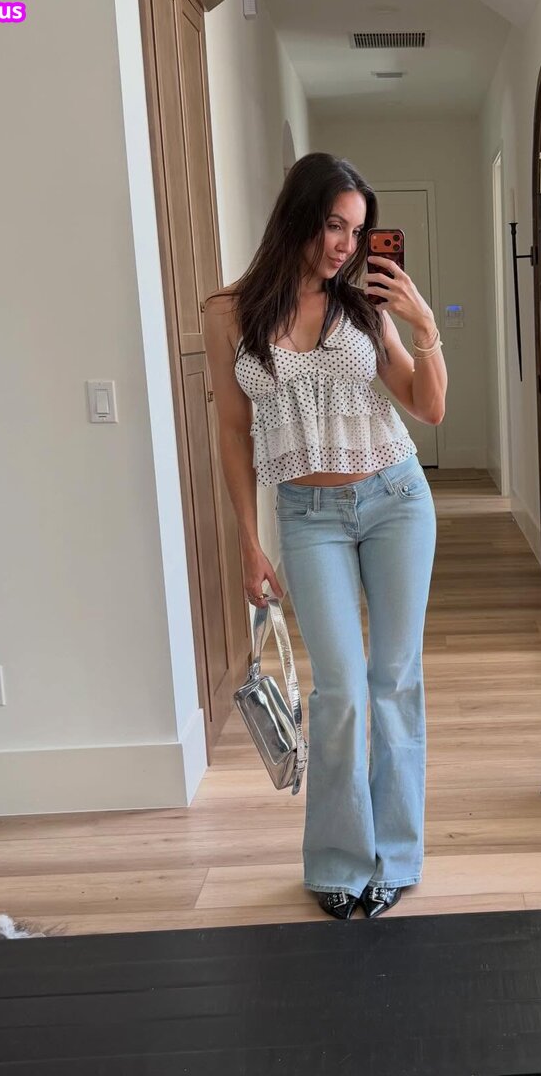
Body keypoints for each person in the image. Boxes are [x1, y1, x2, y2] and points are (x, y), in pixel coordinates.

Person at [203, 152, 447, 920]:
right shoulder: (229, 313)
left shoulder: (365, 307)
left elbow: (427, 408)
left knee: (394, 679)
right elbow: (233, 431)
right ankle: (340, 863)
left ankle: (396, 857)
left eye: (358, 231)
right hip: (306, 517)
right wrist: (248, 542)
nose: (347, 245)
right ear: (300, 216)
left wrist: (425, 327)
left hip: (395, 499)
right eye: (335, 225)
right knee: (339, 688)